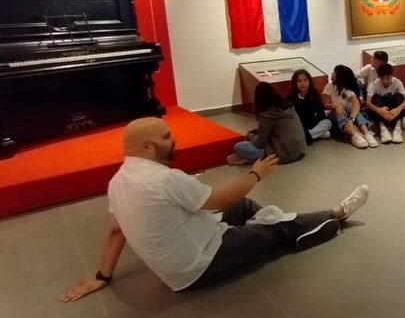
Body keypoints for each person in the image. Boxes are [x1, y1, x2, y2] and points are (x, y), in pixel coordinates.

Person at [59, 117, 369, 301]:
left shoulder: (117, 181)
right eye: (166, 137)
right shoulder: (164, 179)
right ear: (146, 147)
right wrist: (256, 172)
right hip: (202, 265)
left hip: (189, 253)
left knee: (246, 206)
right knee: (273, 228)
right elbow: (220, 201)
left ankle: (275, 225)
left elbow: (116, 229)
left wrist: (102, 276)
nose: (174, 139)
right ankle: (333, 215)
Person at [227, 82, 306, 165]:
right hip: (300, 150)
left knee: (239, 146)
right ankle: (249, 158)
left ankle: (251, 159)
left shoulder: (267, 114)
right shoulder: (289, 107)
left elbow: (260, 143)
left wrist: (250, 136)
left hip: (282, 154)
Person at [322, 65, 378, 149]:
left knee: (352, 108)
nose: (332, 74)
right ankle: (354, 134)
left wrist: (351, 120)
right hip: (333, 115)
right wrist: (335, 105)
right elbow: (324, 105)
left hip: (347, 116)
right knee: (339, 112)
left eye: (335, 72)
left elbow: (356, 104)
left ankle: (366, 133)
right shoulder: (329, 86)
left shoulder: (347, 89)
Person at [365, 63, 405, 144]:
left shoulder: (397, 82)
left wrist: (398, 109)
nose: (385, 81)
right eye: (382, 78)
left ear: (392, 75)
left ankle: (397, 128)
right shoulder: (373, 84)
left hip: (393, 111)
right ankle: (383, 129)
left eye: (388, 78)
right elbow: (368, 103)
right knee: (375, 97)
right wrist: (379, 110)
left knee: (399, 96)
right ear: (378, 76)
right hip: (381, 111)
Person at [287, 69, 332, 145]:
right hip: (300, 126)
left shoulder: (314, 93)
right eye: (299, 81)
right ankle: (315, 135)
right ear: (295, 83)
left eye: (305, 80)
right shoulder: (291, 96)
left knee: (328, 122)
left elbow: (320, 113)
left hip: (313, 124)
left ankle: (306, 137)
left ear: (309, 81)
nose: (303, 83)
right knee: (327, 134)